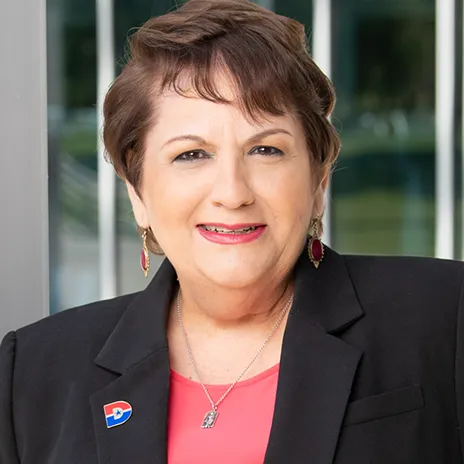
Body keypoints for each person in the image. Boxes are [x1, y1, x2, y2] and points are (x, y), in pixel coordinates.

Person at [1, 0, 464, 462]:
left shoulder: (444, 315)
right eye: (191, 155)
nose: (233, 192)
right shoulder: (34, 371)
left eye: (265, 150)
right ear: (138, 194)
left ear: (318, 181)